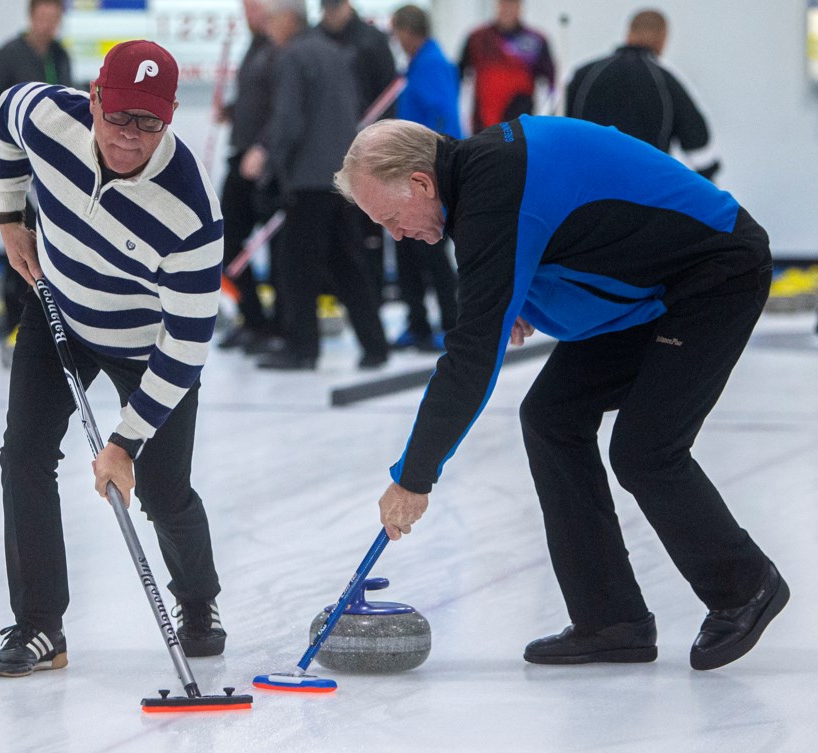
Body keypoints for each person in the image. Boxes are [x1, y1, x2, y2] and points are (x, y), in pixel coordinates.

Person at [334, 116, 789, 671]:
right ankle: (610, 619)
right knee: (552, 414)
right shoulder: (481, 182)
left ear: (422, 183)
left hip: (717, 275)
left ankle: (746, 586)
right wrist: (521, 296)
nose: (396, 234)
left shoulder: (494, 191)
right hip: (658, 290)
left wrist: (413, 476)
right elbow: (580, 237)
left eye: (390, 218)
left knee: (646, 449)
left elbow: (471, 359)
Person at [0, 40, 227, 677]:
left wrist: (124, 441)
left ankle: (199, 601)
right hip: (56, 306)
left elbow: (187, 346)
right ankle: (40, 626)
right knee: (24, 452)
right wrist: (11, 215)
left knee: (165, 491)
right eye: (117, 117)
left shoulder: (191, 215)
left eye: (148, 122)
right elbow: (4, 112)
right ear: (93, 100)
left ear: (171, 116)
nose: (129, 137)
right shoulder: (50, 117)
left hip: (150, 348)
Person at [250, 0, 387, 371]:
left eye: (272, 18)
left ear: (289, 20)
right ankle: (375, 344)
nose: (267, 25)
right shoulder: (334, 51)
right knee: (348, 263)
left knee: (297, 267)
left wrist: (269, 165)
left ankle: (302, 348)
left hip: (308, 179)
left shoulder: (292, 57)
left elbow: (289, 120)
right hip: (340, 176)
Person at [0, 0, 72, 352]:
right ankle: (14, 320)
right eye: (43, 17)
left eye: (54, 19)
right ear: (31, 18)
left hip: (49, 164)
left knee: (48, 238)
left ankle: (48, 317)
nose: (48, 24)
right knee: (17, 234)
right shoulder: (8, 54)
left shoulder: (60, 55)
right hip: (15, 163)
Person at [566, 9, 720, 180]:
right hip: (644, 191)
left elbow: (556, 126)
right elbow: (698, 143)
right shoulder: (665, 83)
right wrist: (710, 181)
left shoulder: (585, 75)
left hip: (585, 187)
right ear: (663, 39)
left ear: (629, 32)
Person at [388, 4, 459, 352]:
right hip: (408, 171)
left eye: (397, 32)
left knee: (432, 251)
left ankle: (450, 322)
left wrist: (435, 168)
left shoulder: (432, 63)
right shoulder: (416, 64)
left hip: (428, 171)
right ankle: (416, 323)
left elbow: (444, 118)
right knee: (407, 251)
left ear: (407, 30)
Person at [319, 0, 398, 300]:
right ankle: (332, 296)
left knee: (369, 225)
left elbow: (388, 99)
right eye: (326, 9)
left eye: (334, 8)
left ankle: (373, 295)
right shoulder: (317, 37)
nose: (330, 15)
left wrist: (381, 145)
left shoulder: (372, 41)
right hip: (325, 153)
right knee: (333, 232)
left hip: (367, 148)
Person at [214, 0, 280, 353]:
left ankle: (274, 325)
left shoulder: (279, 50)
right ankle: (252, 318)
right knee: (226, 242)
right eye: (246, 8)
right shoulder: (254, 46)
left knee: (279, 249)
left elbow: (284, 109)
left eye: (254, 7)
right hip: (241, 157)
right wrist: (230, 110)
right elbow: (254, 101)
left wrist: (263, 146)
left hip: (265, 164)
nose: (248, 15)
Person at [459, 0, 555, 133]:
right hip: (483, 123)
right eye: (503, 3)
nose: (507, 9)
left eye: (512, 4)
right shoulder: (477, 38)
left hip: (520, 125)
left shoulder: (535, 40)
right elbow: (458, 76)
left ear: (520, 6)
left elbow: (551, 84)